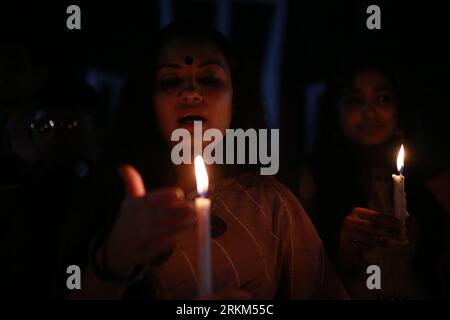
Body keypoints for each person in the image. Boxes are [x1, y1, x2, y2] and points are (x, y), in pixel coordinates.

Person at [59, 22, 348, 300]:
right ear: (148, 100)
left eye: (209, 79)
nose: (190, 93)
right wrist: (114, 260)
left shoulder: (271, 204)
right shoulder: (104, 200)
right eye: (171, 81)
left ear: (235, 102)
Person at [298, 59, 449, 299]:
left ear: (399, 109)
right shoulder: (315, 178)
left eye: (383, 99)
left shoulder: (431, 179)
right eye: (355, 100)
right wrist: (343, 253)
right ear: (335, 111)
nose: (370, 112)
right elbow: (301, 279)